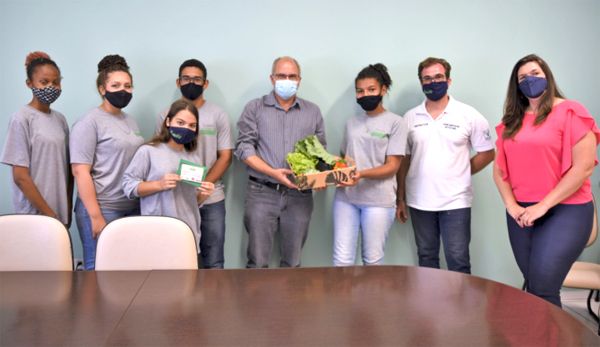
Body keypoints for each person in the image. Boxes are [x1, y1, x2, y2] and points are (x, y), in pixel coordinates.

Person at [493, 54, 600, 307]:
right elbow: (499, 171)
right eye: (523, 77)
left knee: (542, 285)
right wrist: (512, 206)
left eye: (535, 74)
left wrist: (543, 206)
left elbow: (583, 168)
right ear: (516, 85)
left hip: (566, 210)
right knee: (536, 285)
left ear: (547, 76)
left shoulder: (571, 111)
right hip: (521, 212)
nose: (530, 80)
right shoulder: (511, 121)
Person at [396, 57, 495, 274]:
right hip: (419, 201)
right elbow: (404, 160)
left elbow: (487, 153)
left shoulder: (468, 115)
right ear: (421, 82)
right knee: (427, 257)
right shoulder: (410, 118)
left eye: (438, 77)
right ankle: (430, 307)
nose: (433, 82)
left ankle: (460, 308)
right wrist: (400, 197)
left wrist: (462, 170)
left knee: (458, 260)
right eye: (427, 79)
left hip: (455, 201)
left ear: (449, 80)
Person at [235, 56, 326, 268]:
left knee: (293, 263)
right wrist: (272, 172)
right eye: (281, 75)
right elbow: (244, 147)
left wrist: (324, 175)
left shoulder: (313, 112)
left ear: (299, 80)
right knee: (257, 262)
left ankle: (290, 301)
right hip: (262, 192)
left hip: (300, 195)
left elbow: (319, 152)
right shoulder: (254, 108)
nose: (287, 80)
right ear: (272, 78)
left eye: (292, 76)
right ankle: (256, 302)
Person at [155, 59, 233, 269]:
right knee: (177, 260)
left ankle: (212, 302)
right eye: (186, 78)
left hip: (211, 196)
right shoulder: (166, 115)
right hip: (176, 200)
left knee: (214, 260)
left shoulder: (218, 115)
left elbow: (225, 156)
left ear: (205, 84)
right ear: (178, 82)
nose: (192, 82)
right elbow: (160, 154)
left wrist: (203, 186)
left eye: (197, 79)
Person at [70, 54, 144, 270]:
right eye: (116, 85)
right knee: (98, 271)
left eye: (128, 85)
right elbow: (80, 172)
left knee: (127, 271)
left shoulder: (129, 120)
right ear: (102, 89)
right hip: (103, 208)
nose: (123, 90)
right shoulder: (88, 122)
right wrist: (95, 215)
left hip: (131, 206)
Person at [333, 63, 407, 266]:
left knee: (372, 261)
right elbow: (345, 157)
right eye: (360, 91)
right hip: (346, 198)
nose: (365, 95)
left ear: (383, 90)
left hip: (378, 201)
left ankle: (372, 299)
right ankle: (342, 299)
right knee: (341, 260)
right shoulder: (351, 123)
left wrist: (361, 174)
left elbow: (393, 166)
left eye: (371, 89)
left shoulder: (396, 123)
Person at [124, 100, 215, 251]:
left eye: (192, 125)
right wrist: (159, 184)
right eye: (180, 122)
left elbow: (192, 200)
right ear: (168, 121)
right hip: (157, 231)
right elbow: (128, 185)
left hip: (188, 232)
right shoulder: (148, 151)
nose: (186, 128)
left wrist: (204, 195)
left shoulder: (194, 158)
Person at [1, 51, 72, 227]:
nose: (51, 86)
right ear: (29, 83)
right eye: (44, 82)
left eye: (55, 82)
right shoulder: (21, 118)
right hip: (34, 216)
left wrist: (67, 208)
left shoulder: (60, 119)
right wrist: (49, 214)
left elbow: (67, 169)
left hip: (59, 215)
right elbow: (20, 177)